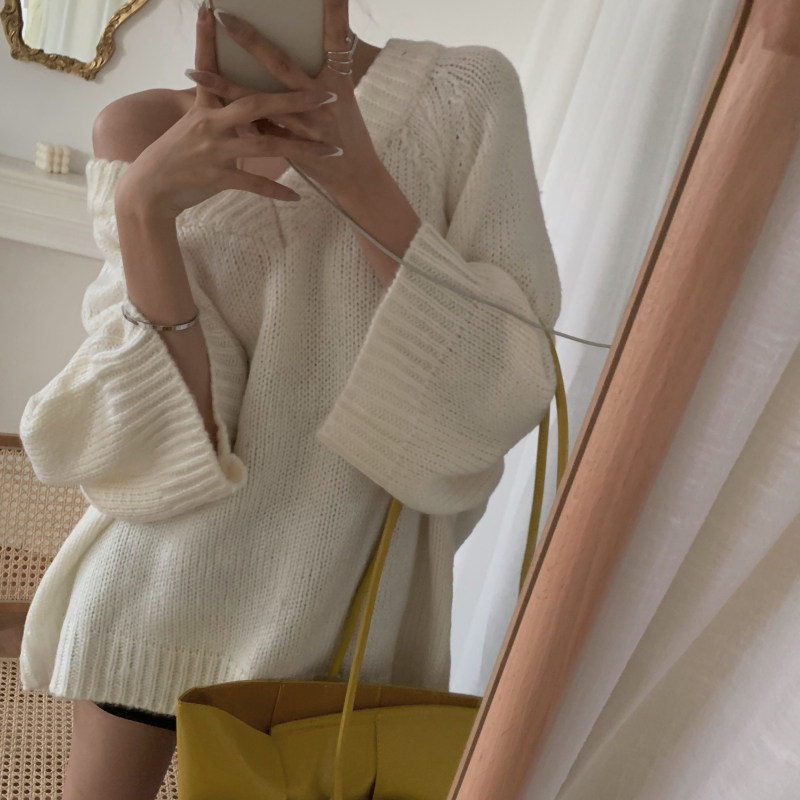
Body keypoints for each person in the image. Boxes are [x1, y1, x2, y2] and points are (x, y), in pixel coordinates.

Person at [17, 0, 561, 796]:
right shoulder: (139, 128)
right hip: (151, 593)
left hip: (339, 622)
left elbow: (500, 381)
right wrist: (141, 210)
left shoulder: (465, 93)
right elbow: (165, 431)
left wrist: (359, 175)